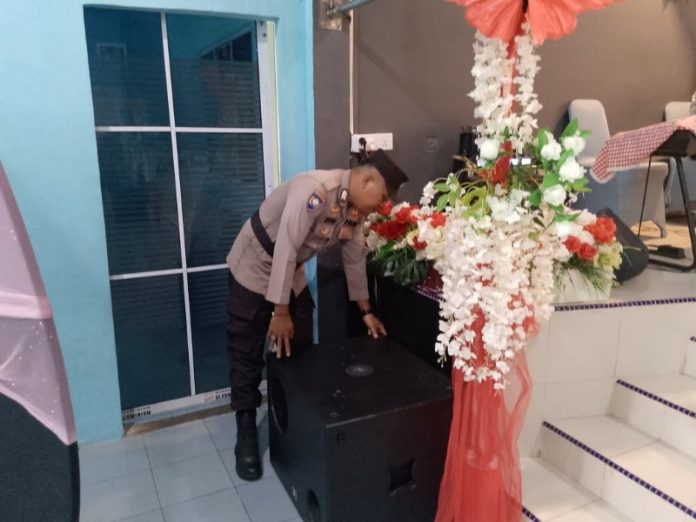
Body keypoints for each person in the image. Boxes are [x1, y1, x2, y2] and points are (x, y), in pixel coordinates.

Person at [225, 150, 408, 481]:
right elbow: (285, 245)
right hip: (255, 263)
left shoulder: (355, 210)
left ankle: (292, 421)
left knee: (300, 342)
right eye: (382, 197)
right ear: (367, 180)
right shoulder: (316, 190)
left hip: (288, 269)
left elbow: (354, 257)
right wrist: (280, 311)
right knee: (246, 349)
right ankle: (246, 431)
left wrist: (366, 311)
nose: (382, 206)